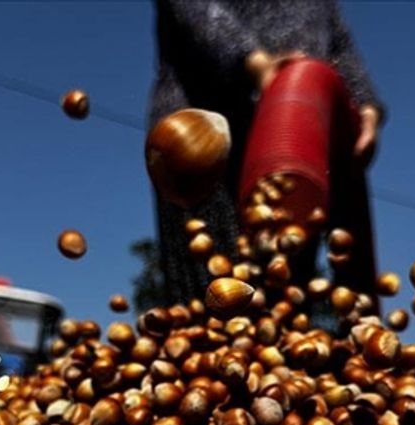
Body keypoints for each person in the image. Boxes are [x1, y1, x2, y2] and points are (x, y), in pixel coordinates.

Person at [150, 0, 386, 307]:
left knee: (285, 297)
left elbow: (338, 40)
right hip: (209, 138)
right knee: (213, 297)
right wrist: (255, 62)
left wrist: (366, 104)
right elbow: (196, 9)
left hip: (302, 145)